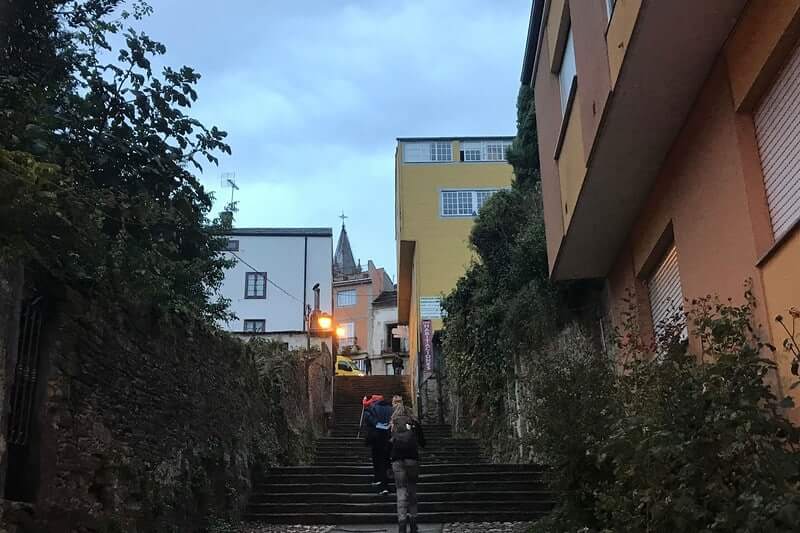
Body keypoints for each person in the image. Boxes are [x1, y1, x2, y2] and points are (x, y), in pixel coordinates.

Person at [390, 395, 425, 533]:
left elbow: (389, 443)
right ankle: (414, 522)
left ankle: (402, 524)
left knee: (401, 491)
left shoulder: (393, 422)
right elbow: (423, 442)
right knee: (412, 489)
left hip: (397, 460)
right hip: (412, 459)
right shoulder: (414, 422)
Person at [363, 394, 393, 495]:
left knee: (377, 460)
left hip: (376, 438)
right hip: (389, 437)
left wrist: (377, 425)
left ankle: (380, 480)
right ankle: (386, 478)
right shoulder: (391, 409)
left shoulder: (372, 408)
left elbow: (368, 420)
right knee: (386, 459)